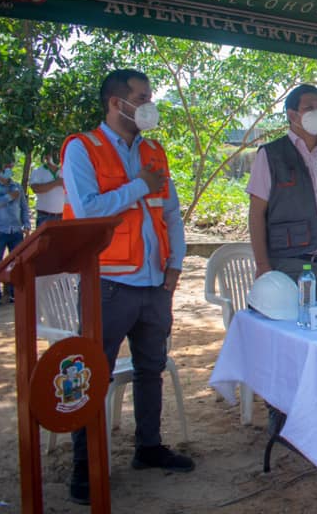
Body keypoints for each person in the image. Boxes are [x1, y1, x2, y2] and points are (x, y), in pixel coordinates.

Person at [61, 69, 191, 505]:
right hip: (107, 284)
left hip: (154, 283)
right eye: (142, 97)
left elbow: (170, 212)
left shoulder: (153, 151)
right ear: (117, 103)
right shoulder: (83, 149)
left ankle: (148, 447)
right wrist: (139, 186)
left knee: (151, 369)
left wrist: (175, 264)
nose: (149, 104)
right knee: (91, 374)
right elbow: (87, 210)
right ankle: (85, 465)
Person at [247, 83, 317, 296]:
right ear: (292, 115)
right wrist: (262, 265)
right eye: (309, 108)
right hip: (289, 265)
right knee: (290, 318)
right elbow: (256, 213)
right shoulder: (271, 154)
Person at [0, 155, 29, 308]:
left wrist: (26, 223)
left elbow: (24, 207)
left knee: (17, 262)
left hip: (16, 230)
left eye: (10, 165)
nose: (9, 168)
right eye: (6, 166)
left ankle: (13, 293)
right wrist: (8, 197)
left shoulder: (16, 186)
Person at [30, 147, 66, 227]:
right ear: (46, 156)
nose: (56, 157)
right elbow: (36, 189)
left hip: (63, 216)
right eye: (53, 155)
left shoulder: (65, 170)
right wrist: (56, 183)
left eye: (57, 154)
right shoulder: (38, 171)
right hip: (45, 216)